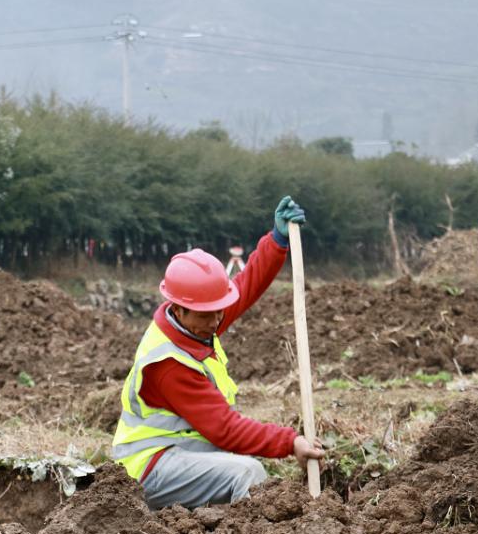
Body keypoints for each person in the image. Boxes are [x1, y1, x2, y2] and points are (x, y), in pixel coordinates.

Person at [111, 196, 325, 509]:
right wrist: (289, 441)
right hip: (147, 467)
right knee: (247, 473)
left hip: (180, 450)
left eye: (218, 311)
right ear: (180, 309)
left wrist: (277, 240)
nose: (216, 321)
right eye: (206, 314)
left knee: (242, 463)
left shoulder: (196, 322)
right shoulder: (169, 364)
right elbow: (225, 429)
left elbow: (246, 286)